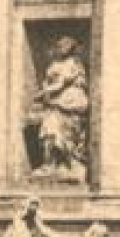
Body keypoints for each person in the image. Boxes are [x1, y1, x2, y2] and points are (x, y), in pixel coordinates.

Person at [35, 38, 90, 179]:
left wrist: (45, 92)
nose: (61, 48)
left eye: (65, 46)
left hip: (70, 103)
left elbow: (61, 83)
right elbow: (48, 82)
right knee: (49, 130)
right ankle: (50, 164)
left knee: (69, 135)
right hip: (54, 105)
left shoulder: (74, 64)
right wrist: (46, 91)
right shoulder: (53, 64)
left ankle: (72, 163)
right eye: (59, 46)